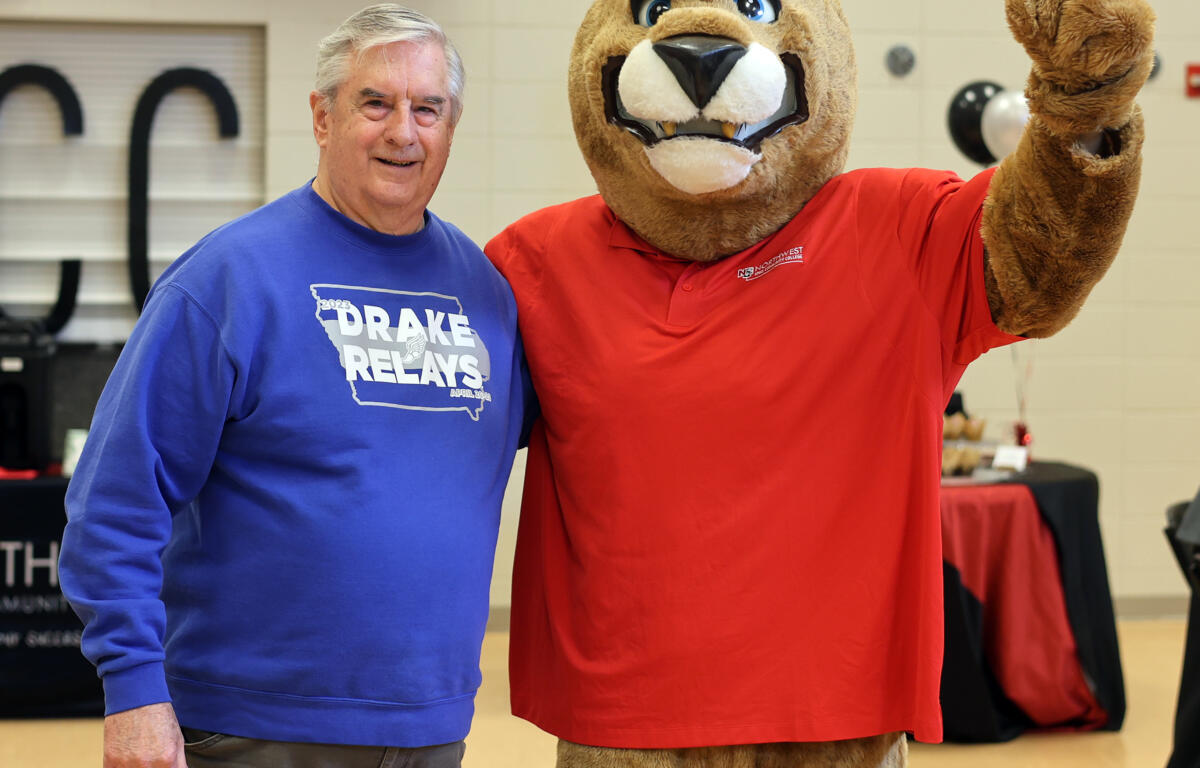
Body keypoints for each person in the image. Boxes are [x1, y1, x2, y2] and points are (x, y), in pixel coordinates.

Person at [58, 5, 529, 767]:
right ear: (322, 115)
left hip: (429, 726)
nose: (403, 132)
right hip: (254, 726)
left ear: (452, 124)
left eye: (427, 109)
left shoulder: (485, 293)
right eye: (375, 103)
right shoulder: (230, 279)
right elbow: (115, 498)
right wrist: (134, 691)